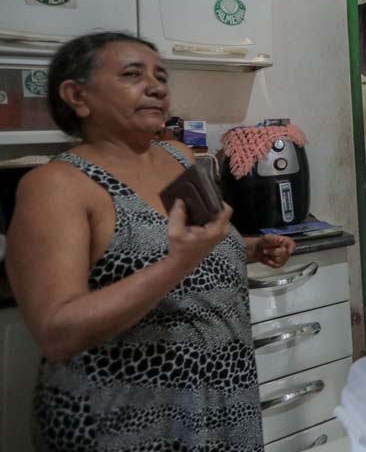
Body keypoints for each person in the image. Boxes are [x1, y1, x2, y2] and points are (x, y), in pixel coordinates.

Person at [5, 32, 296, 451]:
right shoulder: (56, 186)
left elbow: (196, 242)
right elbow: (58, 332)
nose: (157, 86)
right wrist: (177, 264)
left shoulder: (177, 155)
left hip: (222, 396)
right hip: (125, 417)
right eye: (131, 74)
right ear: (77, 95)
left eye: (161, 75)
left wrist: (249, 247)